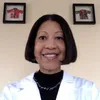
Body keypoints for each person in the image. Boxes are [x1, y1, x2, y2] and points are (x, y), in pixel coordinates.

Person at [0, 14, 100, 100]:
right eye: (42, 37)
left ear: (67, 45)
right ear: (33, 45)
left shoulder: (89, 91)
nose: (51, 45)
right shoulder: (10, 93)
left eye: (59, 38)